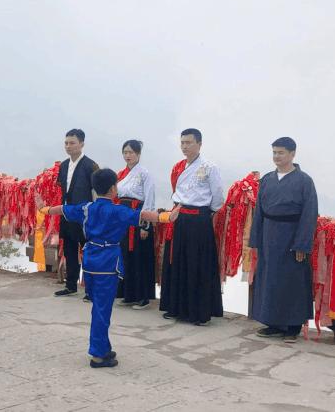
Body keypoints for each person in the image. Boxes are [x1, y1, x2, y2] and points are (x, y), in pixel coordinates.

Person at [42, 169, 167, 368]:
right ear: (113, 189)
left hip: (90, 262)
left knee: (98, 308)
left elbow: (63, 209)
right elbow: (144, 215)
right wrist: (167, 217)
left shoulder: (86, 208)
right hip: (107, 263)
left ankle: (104, 347)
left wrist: (45, 209)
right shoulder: (118, 210)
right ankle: (98, 355)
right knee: (102, 310)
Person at [250, 137, 319, 344]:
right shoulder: (267, 180)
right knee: (270, 279)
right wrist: (256, 239)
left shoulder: (304, 181)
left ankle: (292, 326)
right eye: (274, 152)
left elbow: (309, 214)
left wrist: (302, 244)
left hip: (291, 235)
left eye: (281, 152)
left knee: (291, 280)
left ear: (292, 154)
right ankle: (272, 323)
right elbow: (259, 211)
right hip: (269, 235)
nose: (276, 157)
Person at [161, 128, 225, 326]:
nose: (185, 146)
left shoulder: (209, 167)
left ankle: (199, 313)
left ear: (199, 144)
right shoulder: (178, 167)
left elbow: (218, 195)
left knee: (197, 264)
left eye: (189, 142)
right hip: (179, 217)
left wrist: (209, 211)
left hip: (199, 219)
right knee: (178, 262)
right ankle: (176, 308)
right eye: (182, 143)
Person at [55, 128, 100, 298]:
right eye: (66, 143)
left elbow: (96, 192)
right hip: (67, 213)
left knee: (88, 251)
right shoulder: (64, 165)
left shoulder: (91, 166)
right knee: (69, 250)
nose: (68, 146)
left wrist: (95, 215)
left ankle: (91, 289)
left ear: (81, 144)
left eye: (72, 143)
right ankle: (70, 285)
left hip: (85, 216)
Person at [114, 140, 157, 309]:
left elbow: (149, 199)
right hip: (124, 217)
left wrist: (145, 225)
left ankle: (143, 297)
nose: (128, 155)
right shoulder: (121, 174)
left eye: (131, 152)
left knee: (140, 256)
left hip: (138, 215)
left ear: (138, 154)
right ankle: (128, 294)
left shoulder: (145, 174)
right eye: (125, 152)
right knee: (126, 255)